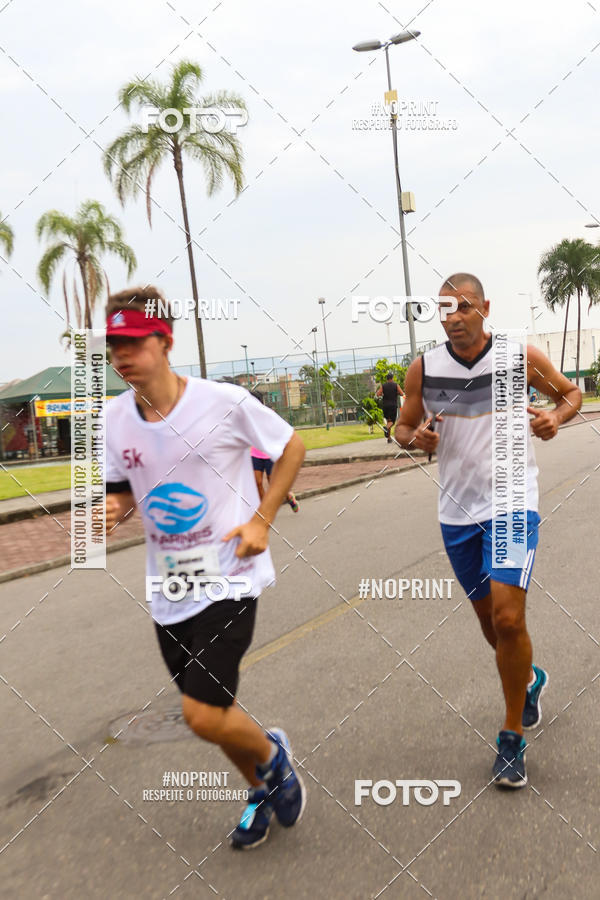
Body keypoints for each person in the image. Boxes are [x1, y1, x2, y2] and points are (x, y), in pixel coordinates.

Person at [104, 286, 307, 848]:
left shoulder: (224, 402)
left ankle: (274, 756)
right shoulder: (114, 419)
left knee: (201, 712)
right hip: (169, 587)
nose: (121, 355)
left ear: (164, 342)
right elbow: (120, 494)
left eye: (133, 341)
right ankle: (259, 790)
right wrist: (106, 513)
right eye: (113, 344)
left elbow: (292, 447)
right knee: (219, 713)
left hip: (230, 575)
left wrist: (262, 519)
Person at [395, 272, 581, 789]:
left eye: (463, 307)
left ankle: (511, 736)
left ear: (485, 308)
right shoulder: (425, 368)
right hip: (457, 513)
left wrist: (555, 419)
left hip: (512, 505)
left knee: (507, 616)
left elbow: (571, 395)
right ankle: (530, 678)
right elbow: (402, 428)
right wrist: (418, 439)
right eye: (444, 309)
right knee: (490, 626)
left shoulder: (519, 357)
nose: (452, 317)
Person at [250, 392, 299, 512]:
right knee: (257, 482)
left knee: (274, 482)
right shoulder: (248, 416)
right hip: (255, 453)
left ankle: (289, 496)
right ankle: (265, 510)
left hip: (269, 454)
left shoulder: (268, 415)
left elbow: (282, 431)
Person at [376, 371, 405, 443]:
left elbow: (378, 394)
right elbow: (402, 393)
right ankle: (385, 428)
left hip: (385, 406)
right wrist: (396, 392)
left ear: (387, 378)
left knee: (389, 421)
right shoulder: (396, 385)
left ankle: (389, 439)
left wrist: (383, 394)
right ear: (392, 378)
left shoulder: (383, 385)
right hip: (393, 406)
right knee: (392, 422)